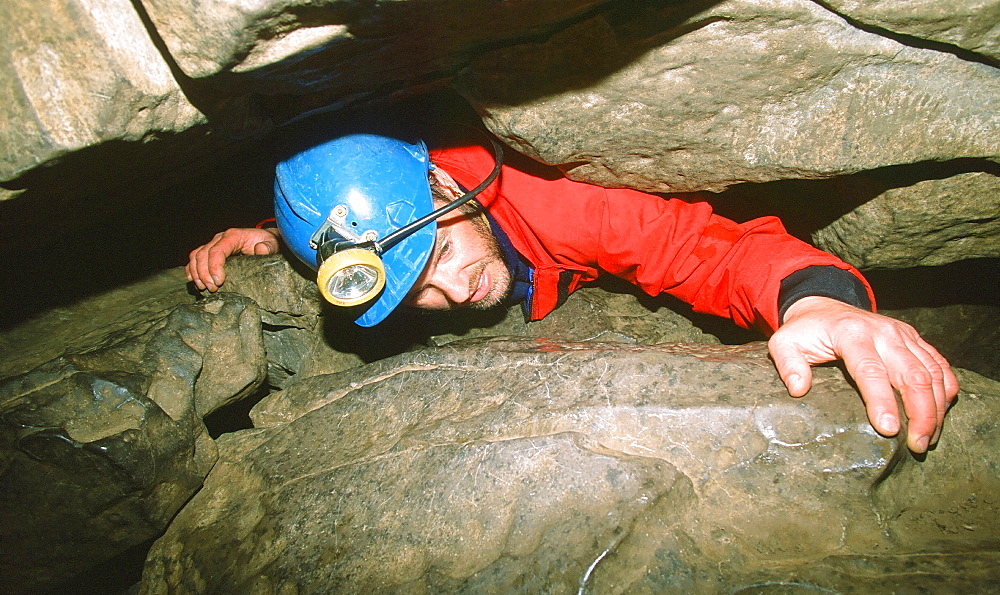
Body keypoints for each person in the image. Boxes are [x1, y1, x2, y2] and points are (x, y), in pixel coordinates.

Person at [186, 132, 958, 454]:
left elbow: (700, 249)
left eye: (444, 248)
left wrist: (817, 301)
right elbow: (350, 210)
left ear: (449, 184)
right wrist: (268, 237)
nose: (453, 290)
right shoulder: (383, 210)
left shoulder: (560, 203)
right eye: (414, 289)